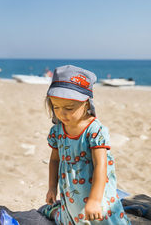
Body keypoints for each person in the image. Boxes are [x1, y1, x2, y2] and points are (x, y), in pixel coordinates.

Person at [42, 65, 131, 224]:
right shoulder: (57, 131)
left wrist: (95, 200)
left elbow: (100, 165)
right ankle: (56, 211)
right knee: (73, 216)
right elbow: (55, 160)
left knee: (105, 217)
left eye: (69, 108)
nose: (62, 113)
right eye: (56, 107)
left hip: (96, 192)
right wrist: (52, 187)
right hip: (71, 192)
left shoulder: (95, 131)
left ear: (87, 104)